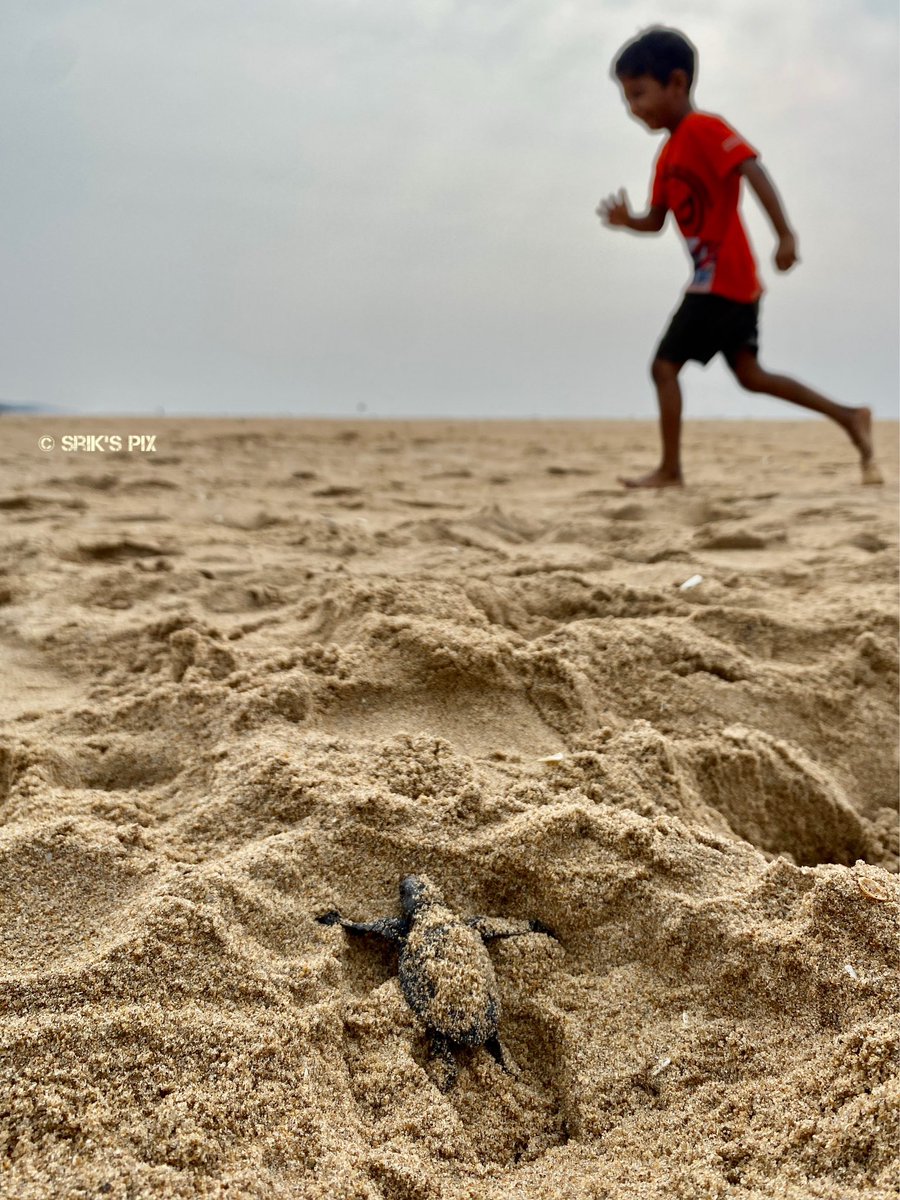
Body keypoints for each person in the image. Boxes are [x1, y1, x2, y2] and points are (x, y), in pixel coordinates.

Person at [598, 26, 882, 488]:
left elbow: (752, 168)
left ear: (677, 83)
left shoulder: (704, 129)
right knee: (750, 375)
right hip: (728, 282)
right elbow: (657, 220)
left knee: (663, 366)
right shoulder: (666, 157)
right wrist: (628, 220)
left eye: (639, 94)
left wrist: (785, 235)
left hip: (723, 279)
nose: (634, 109)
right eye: (627, 99)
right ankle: (850, 416)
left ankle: (670, 470)